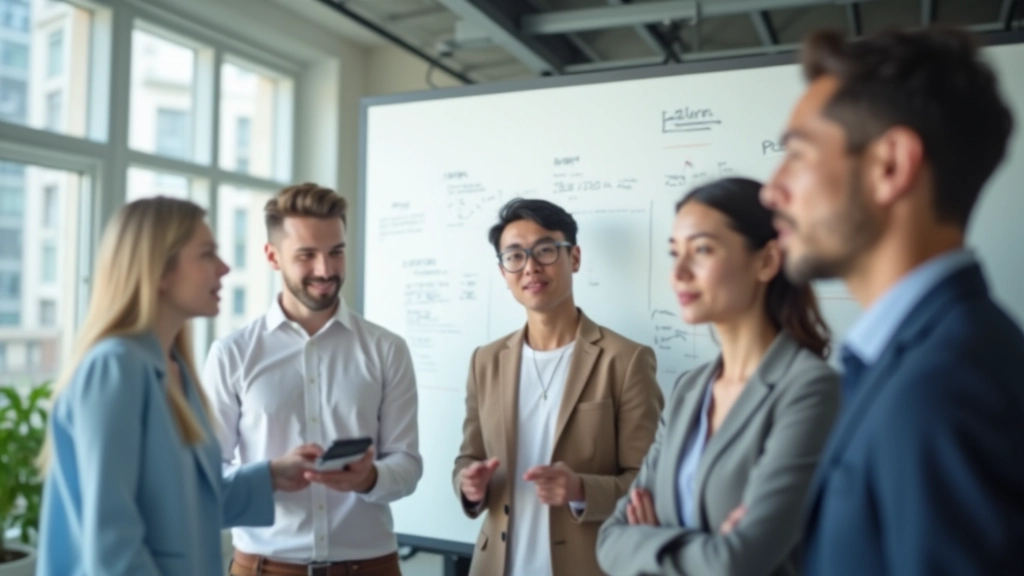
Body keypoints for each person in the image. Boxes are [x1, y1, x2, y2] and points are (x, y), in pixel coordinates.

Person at [761, 27, 1024, 575]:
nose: (771, 190)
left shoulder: (945, 388)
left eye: (797, 156)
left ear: (890, 166)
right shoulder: (930, 352)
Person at [36, 197, 318, 576]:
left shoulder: (175, 369)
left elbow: (187, 504)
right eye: (207, 255)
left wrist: (270, 476)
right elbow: (111, 542)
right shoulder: (114, 369)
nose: (224, 267)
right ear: (159, 270)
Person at [596, 177, 840, 576]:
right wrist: (710, 550)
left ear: (766, 261)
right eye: (675, 253)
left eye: (703, 250)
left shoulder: (810, 389)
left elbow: (740, 562)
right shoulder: (689, 388)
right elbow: (609, 541)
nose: (679, 273)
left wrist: (650, 543)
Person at [202, 183, 421, 576]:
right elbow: (203, 477)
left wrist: (370, 477)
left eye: (336, 252)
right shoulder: (232, 354)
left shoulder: (387, 349)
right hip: (264, 568)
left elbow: (407, 464)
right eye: (306, 255)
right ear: (272, 256)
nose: (325, 269)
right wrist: (267, 476)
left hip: (370, 568)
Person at [453, 198, 663, 576]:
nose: (531, 266)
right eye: (515, 256)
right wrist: (469, 485)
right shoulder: (484, 361)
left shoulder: (626, 360)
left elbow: (649, 485)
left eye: (546, 250)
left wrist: (582, 490)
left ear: (575, 258)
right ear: (504, 272)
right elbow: (468, 458)